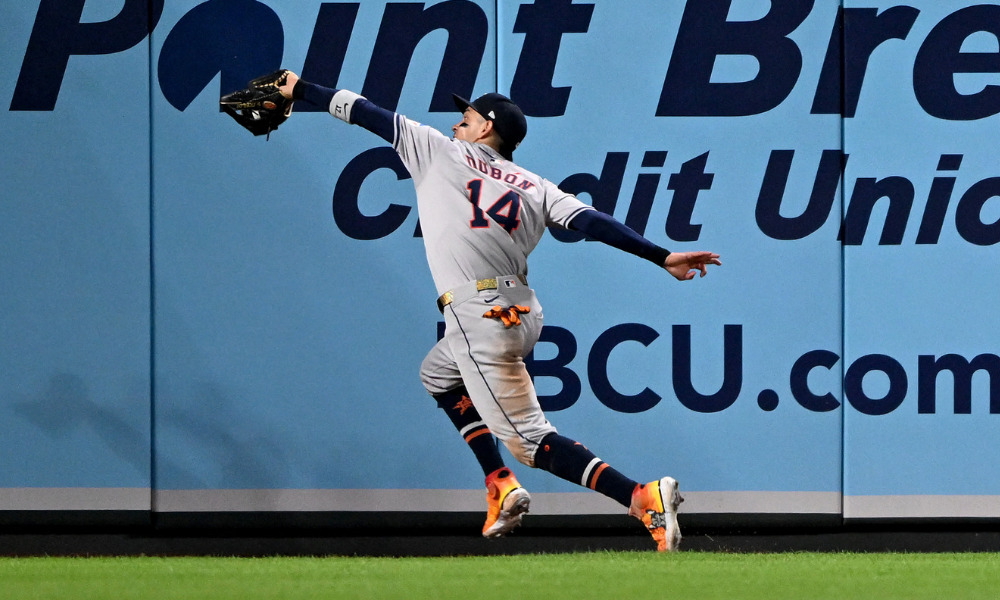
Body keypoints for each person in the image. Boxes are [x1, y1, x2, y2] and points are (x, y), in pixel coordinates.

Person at [277, 72, 721, 552]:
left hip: (478, 314)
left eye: (465, 119)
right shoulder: (534, 184)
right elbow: (593, 222)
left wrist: (298, 88)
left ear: (486, 127)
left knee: (529, 441)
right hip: (520, 310)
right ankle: (498, 483)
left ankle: (640, 496)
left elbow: (362, 109)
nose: (455, 124)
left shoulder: (437, 150)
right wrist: (660, 256)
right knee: (438, 375)